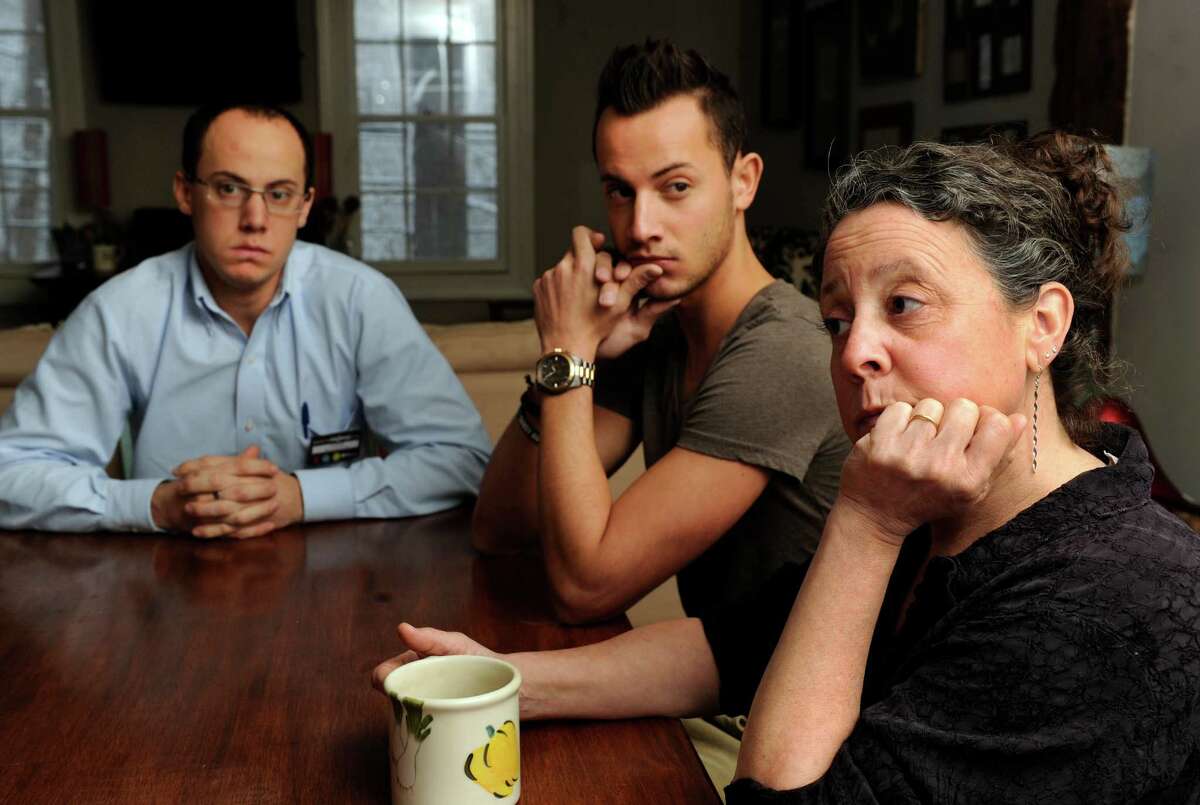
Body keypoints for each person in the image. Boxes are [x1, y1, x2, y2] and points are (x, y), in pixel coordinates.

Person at [376, 132, 1200, 802]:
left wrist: (865, 522)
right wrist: (494, 677)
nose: (854, 354)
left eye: (903, 304)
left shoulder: (1113, 603)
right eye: (838, 319)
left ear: (1043, 326)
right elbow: (726, 648)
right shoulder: (946, 509)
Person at [472, 40, 849, 623]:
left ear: (743, 181)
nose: (641, 227)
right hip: (708, 691)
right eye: (620, 191)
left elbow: (583, 588)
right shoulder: (651, 329)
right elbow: (499, 526)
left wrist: (569, 349)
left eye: (675, 187)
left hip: (787, 712)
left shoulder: (785, 352)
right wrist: (570, 362)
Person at [0, 103, 491, 536]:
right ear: (185, 193)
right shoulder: (118, 310)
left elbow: (461, 459)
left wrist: (301, 497)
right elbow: (12, 474)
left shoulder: (361, 300)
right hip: (165, 581)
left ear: (304, 207)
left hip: (340, 580)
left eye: (279, 194)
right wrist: (156, 504)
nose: (255, 217)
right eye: (229, 187)